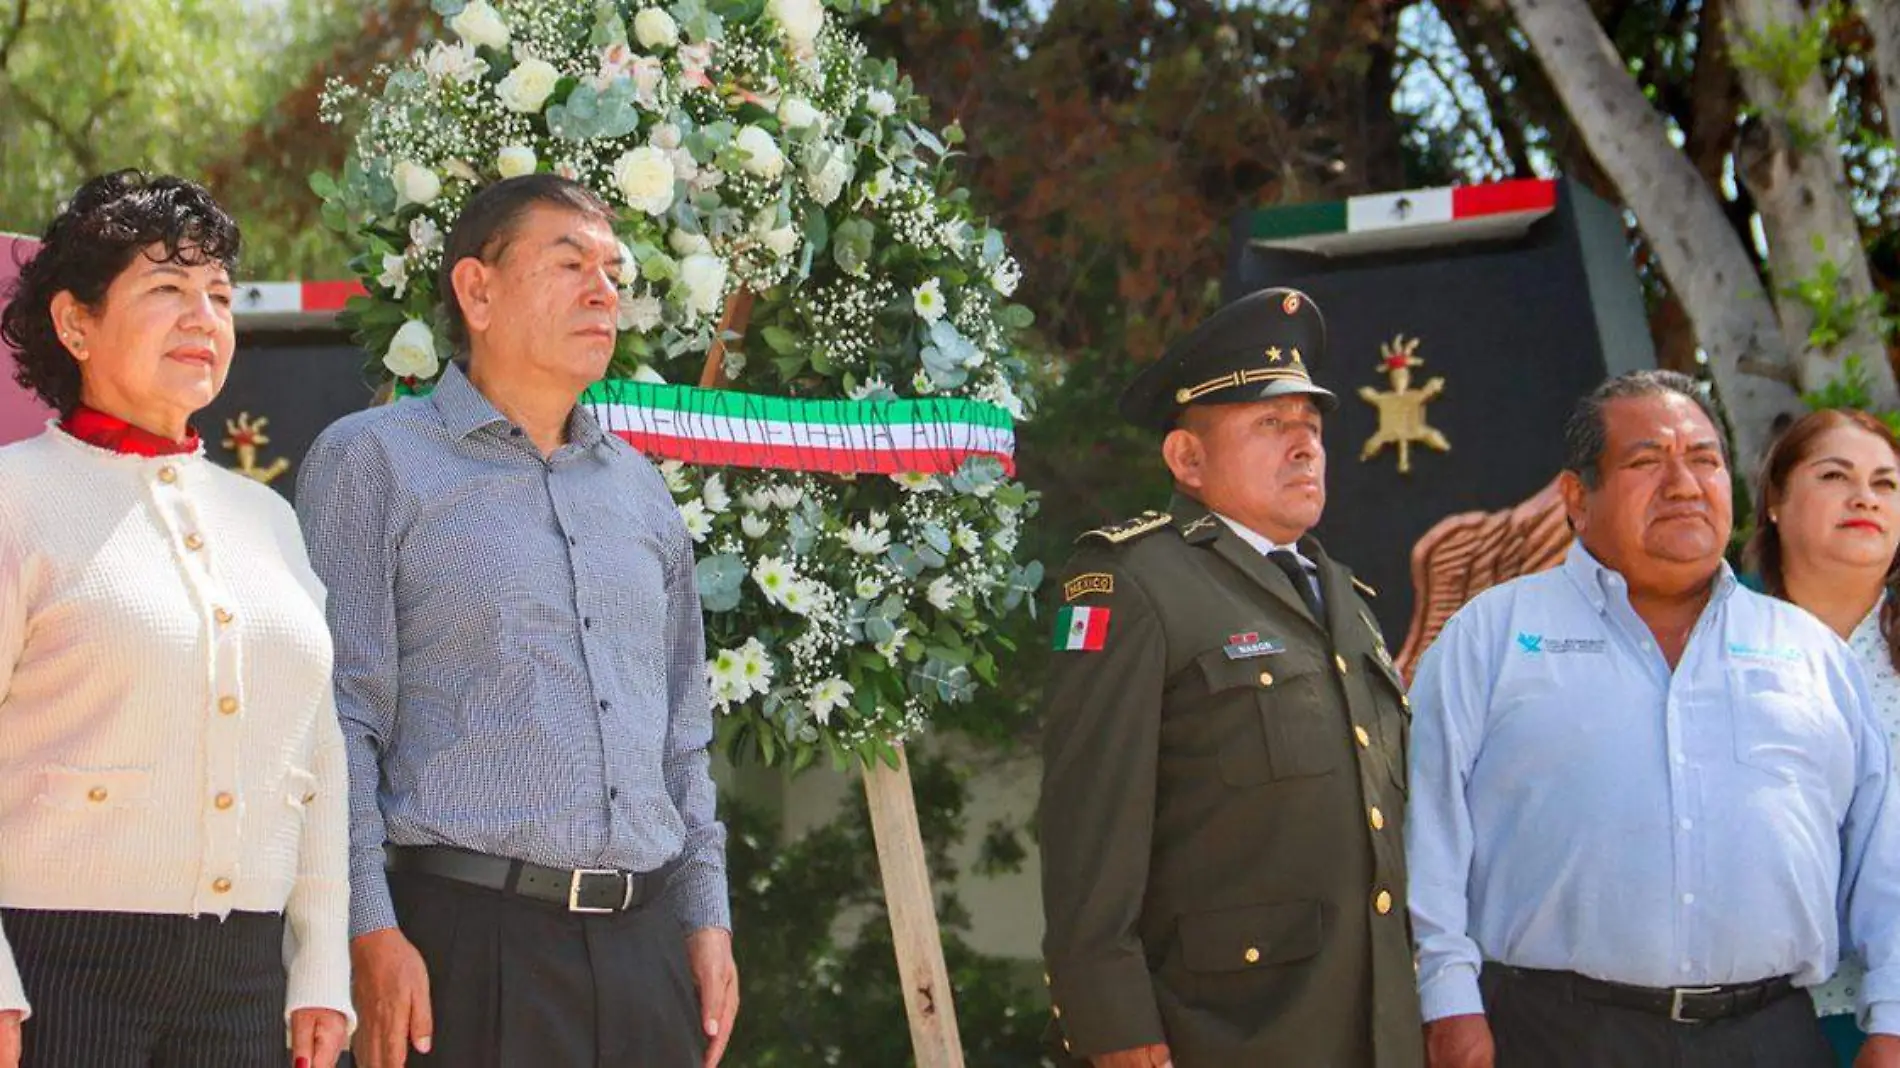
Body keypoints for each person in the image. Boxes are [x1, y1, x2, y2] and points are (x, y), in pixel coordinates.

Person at [296, 174, 736, 1068]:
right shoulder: (372, 462)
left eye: (613, 270)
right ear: (477, 289)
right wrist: (366, 930)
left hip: (648, 950)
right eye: (570, 263)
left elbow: (682, 736)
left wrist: (706, 915)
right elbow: (336, 719)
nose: (603, 290)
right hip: (465, 949)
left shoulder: (643, 492)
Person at [1406, 370, 1900, 1068]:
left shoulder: (1810, 653)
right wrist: (1447, 1002)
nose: (1684, 484)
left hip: (1773, 1037)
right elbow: (1426, 832)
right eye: (1646, 462)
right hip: (1553, 1035)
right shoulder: (1490, 636)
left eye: (1705, 460)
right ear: (1577, 498)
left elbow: (1885, 857)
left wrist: (1894, 1022)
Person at [0, 170, 351, 1066]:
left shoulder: (269, 519)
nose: (203, 317)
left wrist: (318, 970)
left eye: (219, 294)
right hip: (53, 975)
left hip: (245, 982)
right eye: (166, 288)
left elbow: (319, 757)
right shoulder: (14, 500)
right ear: (75, 323)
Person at [1038, 287, 1424, 1067]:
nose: (1304, 445)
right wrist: (1113, 1021)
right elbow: (1088, 822)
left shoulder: (1347, 597)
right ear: (1187, 458)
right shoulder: (1134, 582)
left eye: (1311, 427)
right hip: (1222, 1032)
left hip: (1373, 1027)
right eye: (1270, 425)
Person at [1746, 407, 1900, 1066]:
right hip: (1751, 1017)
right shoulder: (1708, 646)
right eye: (1836, 475)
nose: (1865, 496)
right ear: (1776, 502)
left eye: (1886, 483)